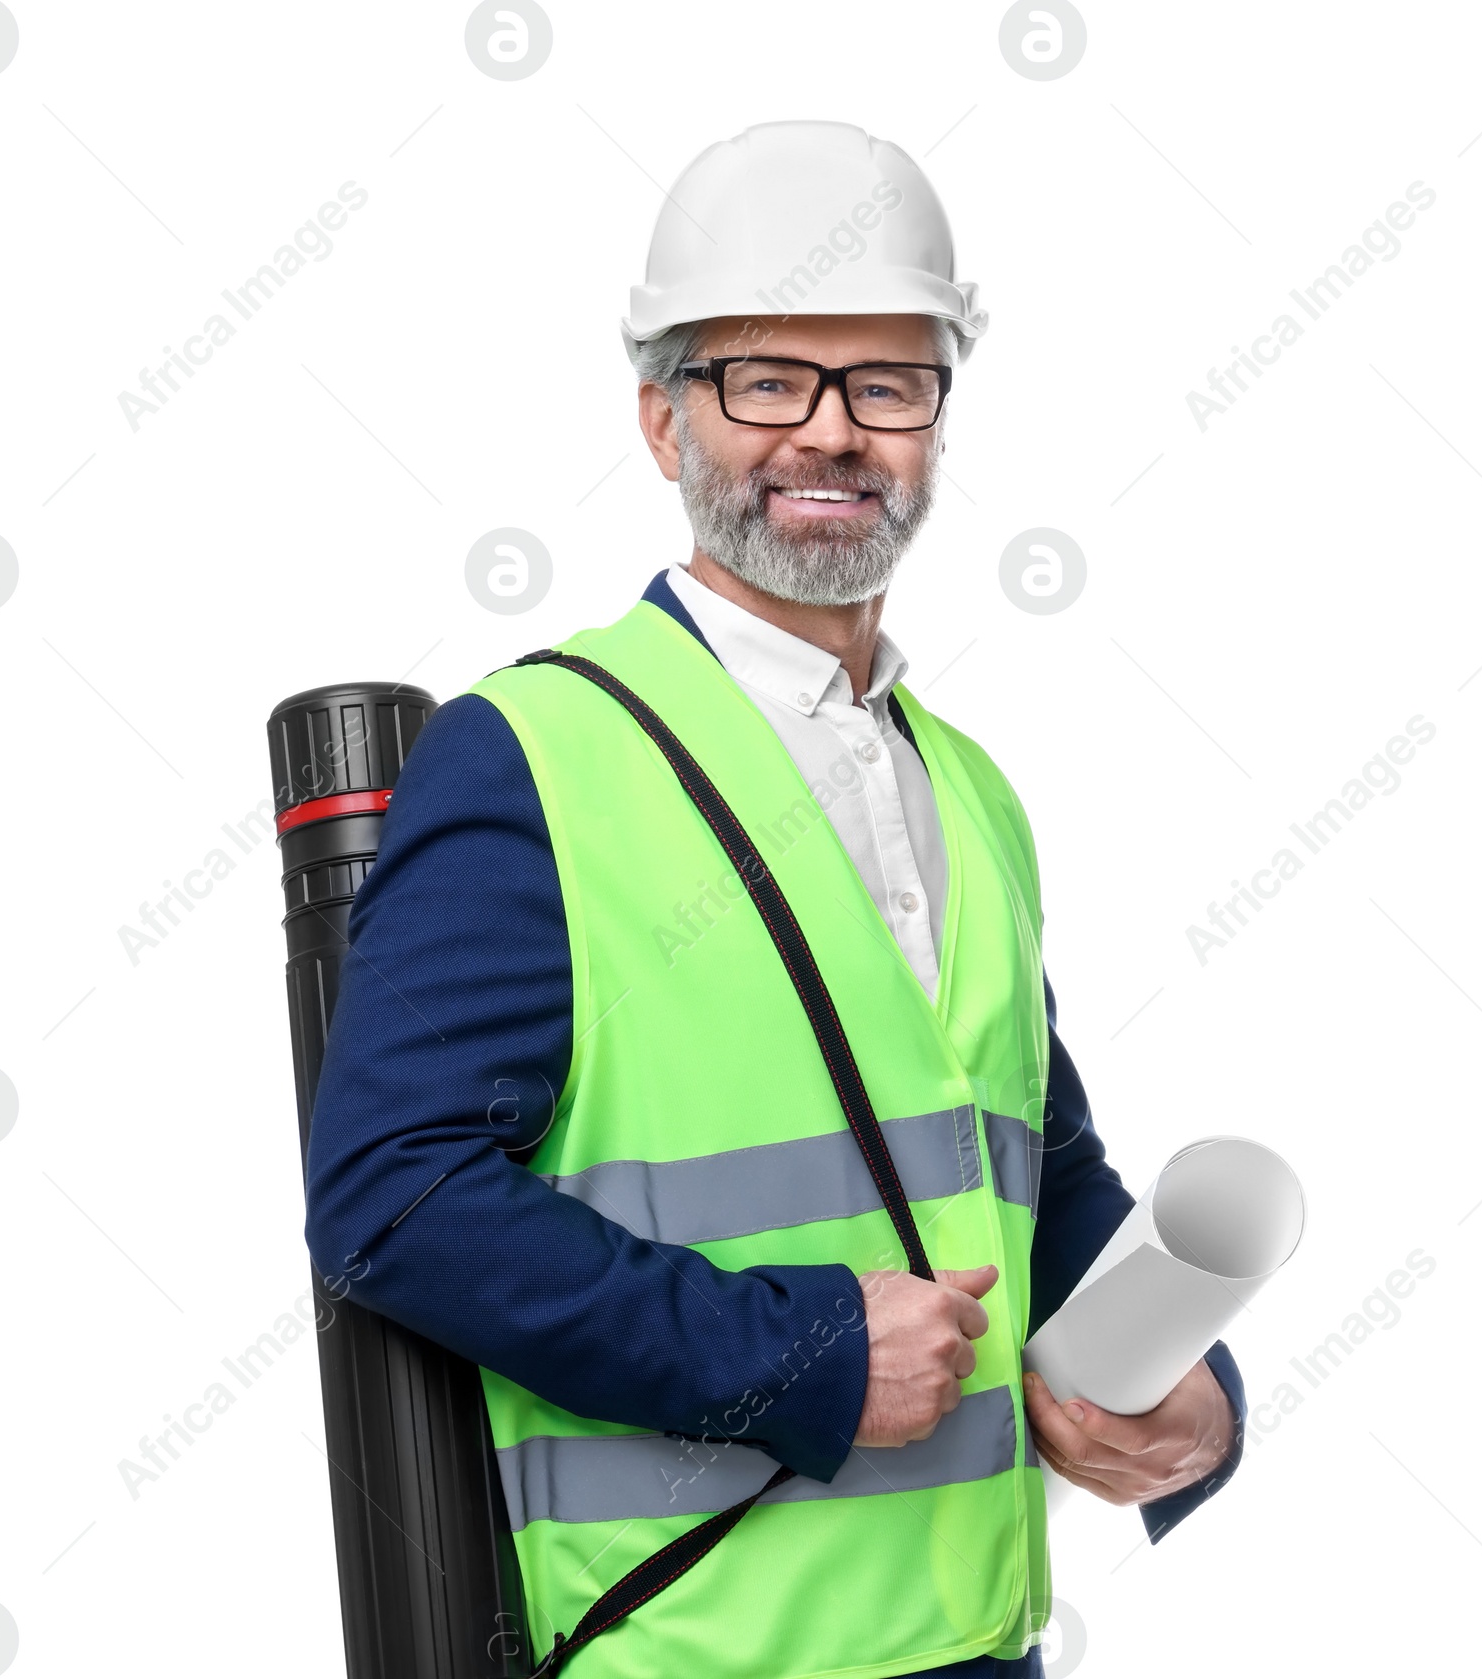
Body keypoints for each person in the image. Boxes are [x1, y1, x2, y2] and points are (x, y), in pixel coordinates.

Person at [304, 121, 1246, 1679]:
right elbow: (395, 1199)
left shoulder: (973, 790)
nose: (830, 433)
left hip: (981, 1639)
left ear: (936, 422)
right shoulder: (532, 756)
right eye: (765, 380)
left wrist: (1189, 1392)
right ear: (662, 420)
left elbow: (1034, 1166)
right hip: (686, 1650)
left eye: (885, 384)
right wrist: (796, 1356)